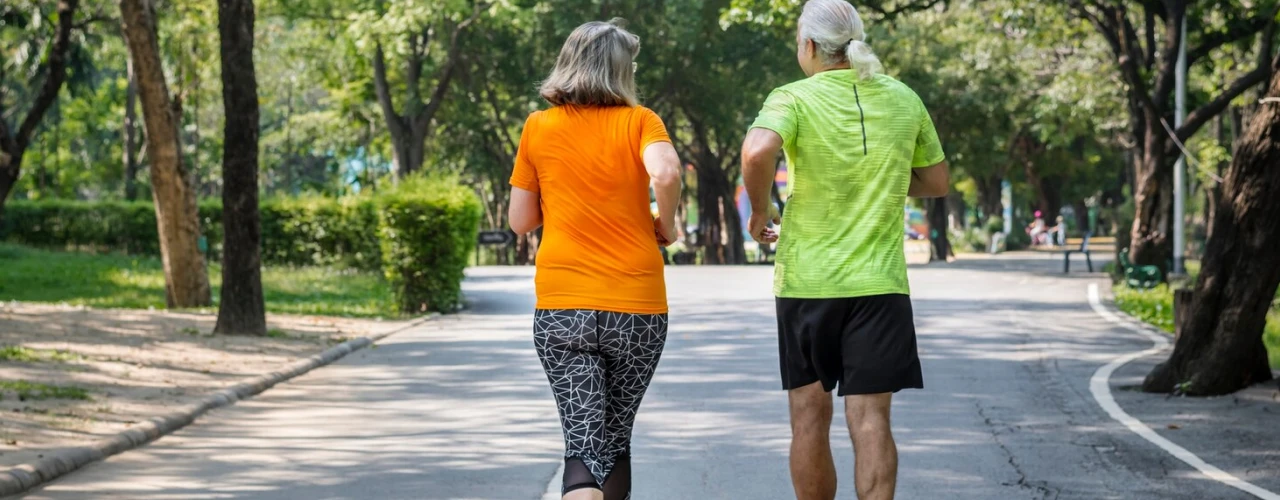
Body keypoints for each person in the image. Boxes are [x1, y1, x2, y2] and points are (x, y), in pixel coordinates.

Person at [739, 1, 949, 499]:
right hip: (880, 286)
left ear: (809, 46)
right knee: (871, 417)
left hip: (807, 283)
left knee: (809, 415)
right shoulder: (903, 97)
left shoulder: (791, 98)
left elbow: (756, 150)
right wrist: (880, 180)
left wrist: (760, 210)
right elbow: (937, 181)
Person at [507, 19, 682, 500]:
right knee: (615, 437)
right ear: (621, 71)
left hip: (563, 310)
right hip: (637, 311)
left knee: (585, 444)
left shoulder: (538, 128)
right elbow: (665, 173)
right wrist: (665, 223)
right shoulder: (641, 121)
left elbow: (520, 221)